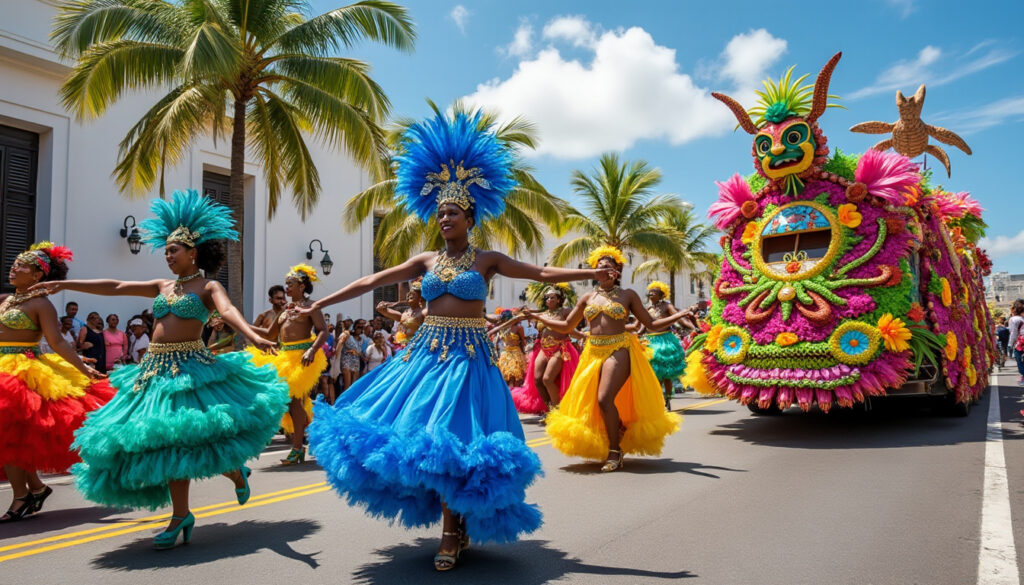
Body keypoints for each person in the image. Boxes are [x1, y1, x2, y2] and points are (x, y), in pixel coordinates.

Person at [301, 112, 614, 571]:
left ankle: (452, 532)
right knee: (419, 440)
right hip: (426, 355)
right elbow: (373, 278)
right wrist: (322, 300)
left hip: (469, 359)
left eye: (453, 212)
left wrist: (590, 272)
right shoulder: (426, 260)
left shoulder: (486, 259)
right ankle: (451, 523)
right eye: (440, 211)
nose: (444, 217)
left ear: (470, 216)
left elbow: (542, 272)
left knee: (453, 439)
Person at [33, 190, 287, 549]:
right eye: (165, 250)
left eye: (174, 250)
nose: (167, 256)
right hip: (153, 369)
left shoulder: (208, 286)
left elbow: (228, 312)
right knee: (169, 443)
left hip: (191, 369)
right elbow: (116, 286)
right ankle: (210, 489)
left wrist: (251, 336)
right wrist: (66, 283)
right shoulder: (162, 285)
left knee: (182, 440)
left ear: (193, 252)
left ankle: (193, 504)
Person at [525, 246, 690, 472]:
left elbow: (650, 325)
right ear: (594, 271)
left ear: (617, 271)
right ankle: (617, 429)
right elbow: (566, 326)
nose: (604, 270)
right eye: (600, 266)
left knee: (604, 398)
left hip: (619, 347)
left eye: (609, 266)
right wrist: (535, 315)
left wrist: (679, 315)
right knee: (591, 402)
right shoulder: (587, 297)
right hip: (592, 351)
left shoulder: (628, 295)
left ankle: (614, 451)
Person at [0, 242, 113, 523]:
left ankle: (22, 496)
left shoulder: (41, 303)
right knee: (14, 438)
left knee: (10, 436)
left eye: (22, 266)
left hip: (22, 372)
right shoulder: (5, 299)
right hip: (3, 367)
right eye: (15, 263)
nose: (15, 268)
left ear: (38, 276)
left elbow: (58, 341)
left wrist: (82, 369)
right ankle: (35, 488)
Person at [249, 264, 329, 465]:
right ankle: (314, 437)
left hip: (302, 357)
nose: (287, 289)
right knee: (285, 401)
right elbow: (269, 334)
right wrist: (240, 324)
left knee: (295, 401)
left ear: (302, 286)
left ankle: (297, 448)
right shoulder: (285, 310)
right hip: (283, 357)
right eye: (286, 284)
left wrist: (312, 350)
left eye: (290, 284)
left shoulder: (312, 306)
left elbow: (323, 331)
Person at [510, 285, 580, 416]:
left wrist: (581, 335)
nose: (549, 300)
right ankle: (549, 409)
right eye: (547, 297)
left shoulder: (565, 312)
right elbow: (523, 316)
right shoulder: (542, 314)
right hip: (544, 348)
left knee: (547, 379)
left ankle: (557, 410)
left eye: (552, 297)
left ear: (559, 299)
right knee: (537, 380)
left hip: (560, 347)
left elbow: (570, 327)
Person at [638, 281, 688, 410]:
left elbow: (679, 318)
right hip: (650, 342)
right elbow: (642, 327)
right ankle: (658, 398)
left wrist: (693, 327)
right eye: (650, 291)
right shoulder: (647, 309)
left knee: (666, 374)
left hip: (665, 341)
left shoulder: (667, 306)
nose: (651, 293)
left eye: (655, 291)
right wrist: (634, 335)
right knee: (655, 373)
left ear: (661, 295)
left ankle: (667, 398)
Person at [375, 280, 425, 348]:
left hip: (417, 347)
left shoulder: (423, 312)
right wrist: (384, 305)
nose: (410, 295)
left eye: (414, 294)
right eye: (409, 294)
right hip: (404, 347)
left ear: (420, 298)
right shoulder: (403, 314)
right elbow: (381, 310)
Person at [492, 310, 527, 386]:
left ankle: (513, 396)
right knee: (505, 378)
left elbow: (523, 341)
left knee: (514, 378)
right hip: (505, 355)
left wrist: (524, 354)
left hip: (516, 354)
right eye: (505, 319)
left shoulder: (519, 328)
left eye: (508, 319)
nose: (506, 321)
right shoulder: (501, 328)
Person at [1008, 300, 1024, 387]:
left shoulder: (1014, 319)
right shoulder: (1021, 319)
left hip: (1021, 341)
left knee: (1018, 357)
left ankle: (1023, 376)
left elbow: (1013, 333)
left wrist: (1010, 345)